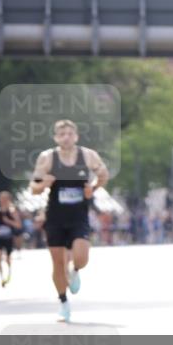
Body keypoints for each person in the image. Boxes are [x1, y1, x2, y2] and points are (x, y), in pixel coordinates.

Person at [30, 119, 110, 322]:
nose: (66, 137)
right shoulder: (47, 158)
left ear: (76, 136)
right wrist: (43, 183)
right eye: (62, 134)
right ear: (56, 138)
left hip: (78, 216)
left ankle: (75, 270)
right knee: (58, 263)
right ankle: (63, 302)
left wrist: (93, 187)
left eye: (70, 134)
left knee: (81, 257)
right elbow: (33, 187)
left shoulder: (88, 155)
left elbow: (103, 175)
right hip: (55, 217)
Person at [0, 191, 23, 287]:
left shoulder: (12, 211)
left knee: (8, 258)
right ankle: (2, 278)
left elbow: (18, 225)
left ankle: (8, 274)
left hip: (9, 237)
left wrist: (8, 221)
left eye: (5, 199)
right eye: (2, 199)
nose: (3, 201)